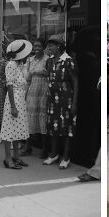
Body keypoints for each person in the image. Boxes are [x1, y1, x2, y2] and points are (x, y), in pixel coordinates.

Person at [43, 34, 78, 169]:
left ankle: (66, 157)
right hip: (52, 99)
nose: (49, 48)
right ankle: (53, 154)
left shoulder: (69, 61)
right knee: (53, 127)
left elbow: (76, 82)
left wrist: (74, 103)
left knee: (67, 128)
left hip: (66, 99)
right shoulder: (50, 61)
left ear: (59, 46)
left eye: (51, 45)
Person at [1, 40, 32, 169]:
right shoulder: (11, 65)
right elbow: (10, 86)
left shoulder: (19, 65)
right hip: (13, 100)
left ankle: (16, 156)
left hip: (20, 99)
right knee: (9, 129)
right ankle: (8, 159)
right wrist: (13, 106)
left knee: (17, 128)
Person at [23, 38, 49, 158]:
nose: (37, 48)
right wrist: (25, 94)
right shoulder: (30, 60)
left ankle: (44, 148)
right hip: (32, 91)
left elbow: (51, 76)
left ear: (44, 47)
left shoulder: (48, 60)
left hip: (44, 91)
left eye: (39, 46)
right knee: (29, 119)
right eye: (35, 46)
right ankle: (28, 147)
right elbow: (27, 78)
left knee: (43, 119)